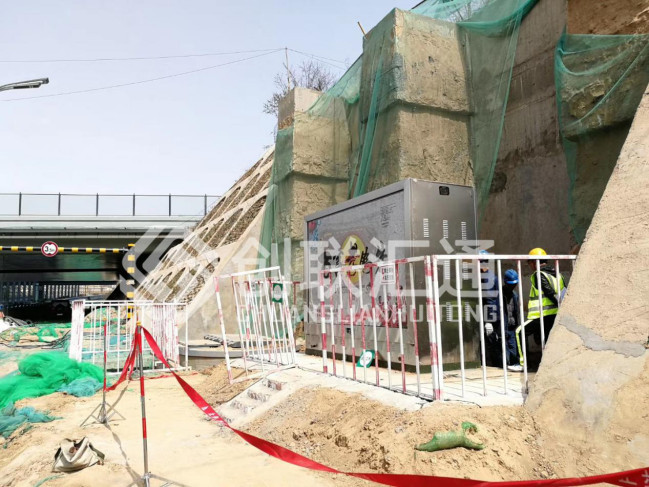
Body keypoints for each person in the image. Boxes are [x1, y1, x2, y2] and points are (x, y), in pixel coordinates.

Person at [478, 250, 501, 367]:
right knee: (492, 341)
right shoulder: (489, 275)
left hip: (491, 315)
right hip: (493, 313)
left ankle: (497, 365)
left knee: (492, 341)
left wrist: (489, 321)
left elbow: (490, 299)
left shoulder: (487, 278)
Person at [502, 270, 523, 372]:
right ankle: (504, 367)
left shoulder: (515, 295)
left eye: (514, 284)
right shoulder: (499, 294)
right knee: (503, 347)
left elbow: (516, 311)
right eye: (511, 284)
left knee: (513, 347)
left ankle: (514, 364)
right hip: (502, 327)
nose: (512, 286)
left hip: (512, 326)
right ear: (505, 282)